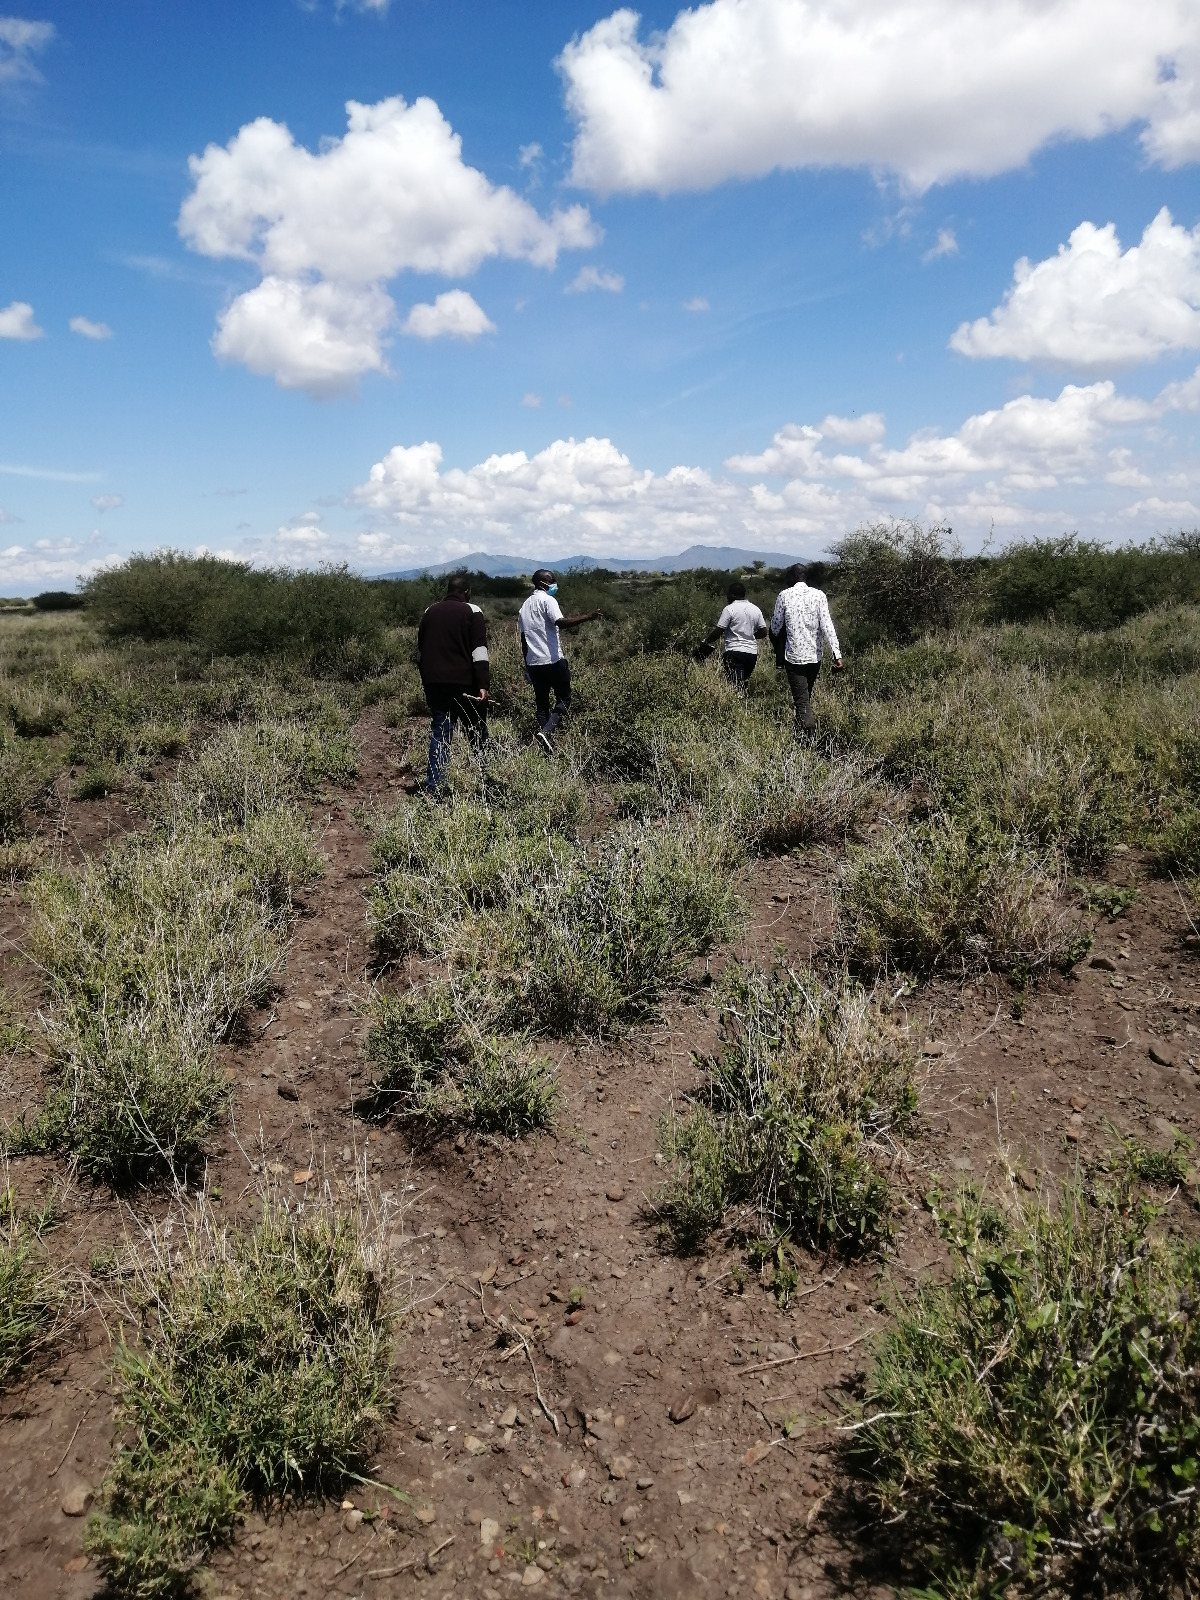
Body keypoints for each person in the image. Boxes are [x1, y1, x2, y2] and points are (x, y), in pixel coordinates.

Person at [416, 573, 490, 792]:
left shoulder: (430, 611)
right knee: (477, 732)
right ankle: (486, 780)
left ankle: (435, 789)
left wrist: (427, 678)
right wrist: (483, 684)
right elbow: (479, 652)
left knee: (441, 733)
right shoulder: (473, 611)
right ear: (466, 591)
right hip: (465, 685)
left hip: (435, 683)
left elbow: (420, 651)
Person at [517, 569, 601, 753]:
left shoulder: (524, 606)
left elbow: (524, 640)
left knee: (541, 704)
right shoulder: (548, 600)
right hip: (553, 660)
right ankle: (547, 732)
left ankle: (545, 743)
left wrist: (527, 666)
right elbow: (560, 622)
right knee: (564, 698)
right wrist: (588, 617)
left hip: (534, 663)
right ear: (543, 583)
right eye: (552, 580)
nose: (555, 583)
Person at [769, 562, 843, 736]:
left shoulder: (784, 595)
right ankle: (800, 732)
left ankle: (809, 737)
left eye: (789, 576)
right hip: (814, 657)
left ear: (794, 576)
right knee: (805, 696)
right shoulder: (819, 595)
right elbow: (827, 626)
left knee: (802, 701)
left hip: (794, 657)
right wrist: (836, 654)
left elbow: (775, 626)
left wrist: (777, 643)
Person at [700, 579, 769, 688]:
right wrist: (750, 636)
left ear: (732, 594)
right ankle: (743, 702)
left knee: (734, 685)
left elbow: (719, 630)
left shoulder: (729, 609)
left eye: (728, 594)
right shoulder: (755, 609)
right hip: (751, 653)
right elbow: (764, 632)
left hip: (734, 652)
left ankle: (737, 703)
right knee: (743, 684)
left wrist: (706, 642)